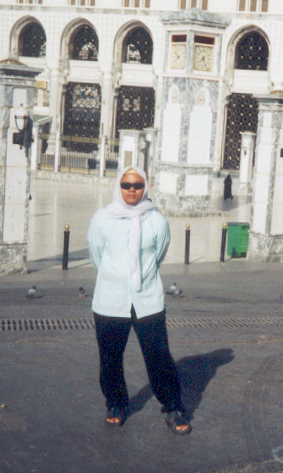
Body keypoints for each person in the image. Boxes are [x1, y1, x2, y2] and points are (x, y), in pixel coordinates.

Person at [87, 166, 191, 435]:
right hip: (111, 299)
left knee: (158, 356)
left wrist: (138, 280)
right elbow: (96, 255)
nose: (131, 189)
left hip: (147, 300)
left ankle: (172, 407)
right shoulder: (102, 219)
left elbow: (160, 252)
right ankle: (116, 404)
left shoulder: (156, 220)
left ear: (145, 187)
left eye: (137, 185)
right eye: (125, 185)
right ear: (118, 187)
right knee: (110, 358)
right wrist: (118, 279)